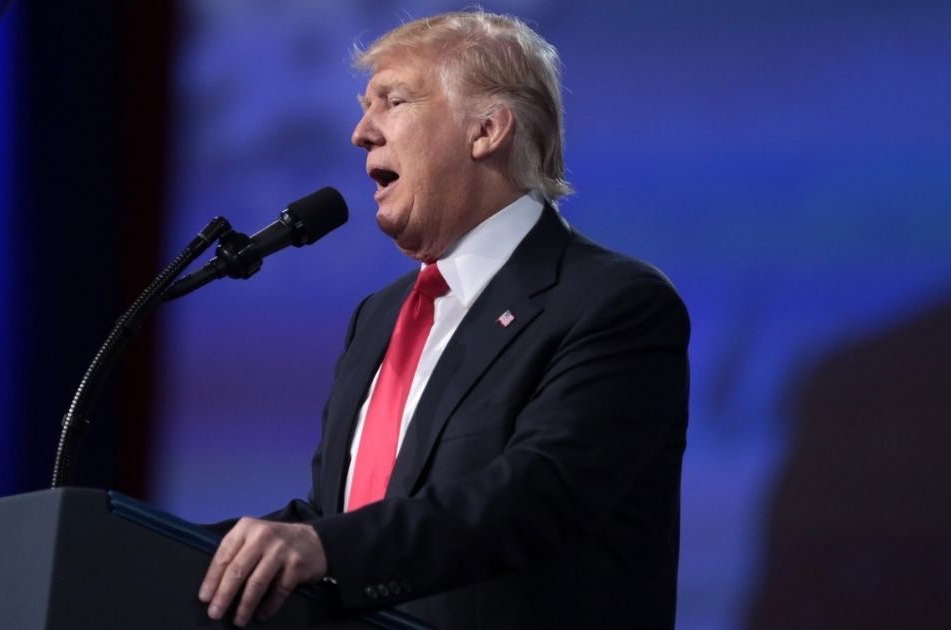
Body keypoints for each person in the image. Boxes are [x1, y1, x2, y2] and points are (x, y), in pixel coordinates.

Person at [199, 10, 690, 629]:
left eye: (392, 101)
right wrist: (180, 551)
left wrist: (328, 548)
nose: (360, 133)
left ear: (486, 130)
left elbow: (536, 494)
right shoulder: (379, 317)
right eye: (364, 105)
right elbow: (339, 515)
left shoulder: (613, 303)